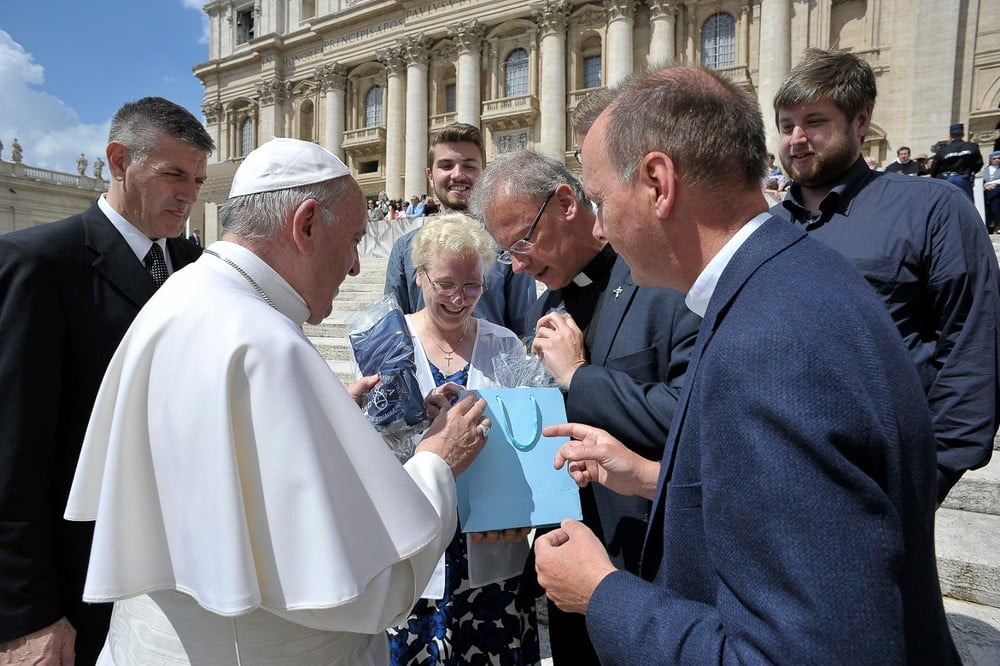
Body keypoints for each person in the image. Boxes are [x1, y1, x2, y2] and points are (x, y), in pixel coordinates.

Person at [534, 63, 959, 664]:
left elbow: (798, 654)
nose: (598, 227)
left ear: (658, 183)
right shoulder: (794, 277)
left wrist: (602, 593)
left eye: (600, 201)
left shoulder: (773, 342)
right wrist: (655, 477)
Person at [63, 137, 492, 664]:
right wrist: (437, 461)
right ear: (306, 224)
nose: (356, 266)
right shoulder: (265, 341)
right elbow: (372, 588)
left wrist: (325, 428)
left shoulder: (180, 295)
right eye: (354, 239)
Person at [0, 97, 212, 665]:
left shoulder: (199, 268)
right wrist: (26, 614)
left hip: (184, 579)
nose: (189, 195)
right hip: (79, 587)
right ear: (119, 161)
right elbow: (11, 454)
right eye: (174, 174)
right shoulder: (39, 264)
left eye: (197, 180)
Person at [470, 148, 699, 666]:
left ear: (566, 203)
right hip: (570, 564)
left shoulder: (663, 282)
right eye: (507, 254)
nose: (519, 265)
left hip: (651, 566)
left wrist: (578, 376)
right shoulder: (543, 304)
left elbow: (687, 415)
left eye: (522, 243)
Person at [771, 48, 999, 503]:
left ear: (860, 120)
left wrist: (930, 476)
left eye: (814, 122)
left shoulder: (933, 209)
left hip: (883, 480)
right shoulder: (767, 227)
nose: (796, 139)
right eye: (786, 125)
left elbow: (973, 344)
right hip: (778, 469)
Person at [387, 213, 538, 666]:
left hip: (491, 548)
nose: (459, 298)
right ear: (420, 277)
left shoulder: (505, 344)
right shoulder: (389, 343)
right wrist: (413, 421)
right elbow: (367, 446)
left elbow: (528, 443)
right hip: (416, 547)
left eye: (472, 286)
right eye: (447, 284)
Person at [383, 123, 537, 337]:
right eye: (446, 166)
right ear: (430, 175)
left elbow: (525, 331)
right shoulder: (403, 249)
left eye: (469, 166)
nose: (458, 175)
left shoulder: (510, 245)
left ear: (484, 174)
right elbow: (394, 330)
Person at [929, 122, 984, 200]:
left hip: (947, 179)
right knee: (966, 202)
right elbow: (979, 163)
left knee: (949, 202)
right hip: (964, 178)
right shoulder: (972, 146)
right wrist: (970, 171)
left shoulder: (943, 150)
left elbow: (934, 169)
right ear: (963, 134)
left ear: (950, 135)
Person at [983, 150, 1000, 233]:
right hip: (988, 190)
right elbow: (982, 181)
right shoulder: (986, 170)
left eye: (999, 158)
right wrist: (985, 185)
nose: (997, 160)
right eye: (994, 158)